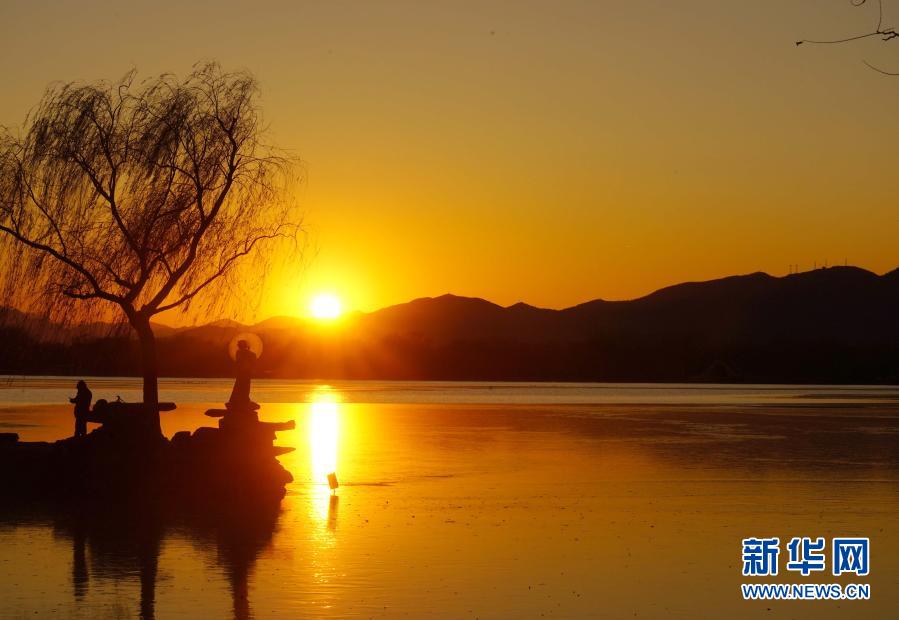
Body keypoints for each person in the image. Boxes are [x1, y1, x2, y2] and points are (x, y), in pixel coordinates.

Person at [228, 340, 257, 408]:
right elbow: (239, 362)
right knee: (242, 386)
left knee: (242, 386)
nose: (238, 346)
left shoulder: (241, 353)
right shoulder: (246, 353)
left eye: (239, 345)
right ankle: (241, 400)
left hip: (244, 372)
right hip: (243, 372)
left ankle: (242, 400)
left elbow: (238, 362)